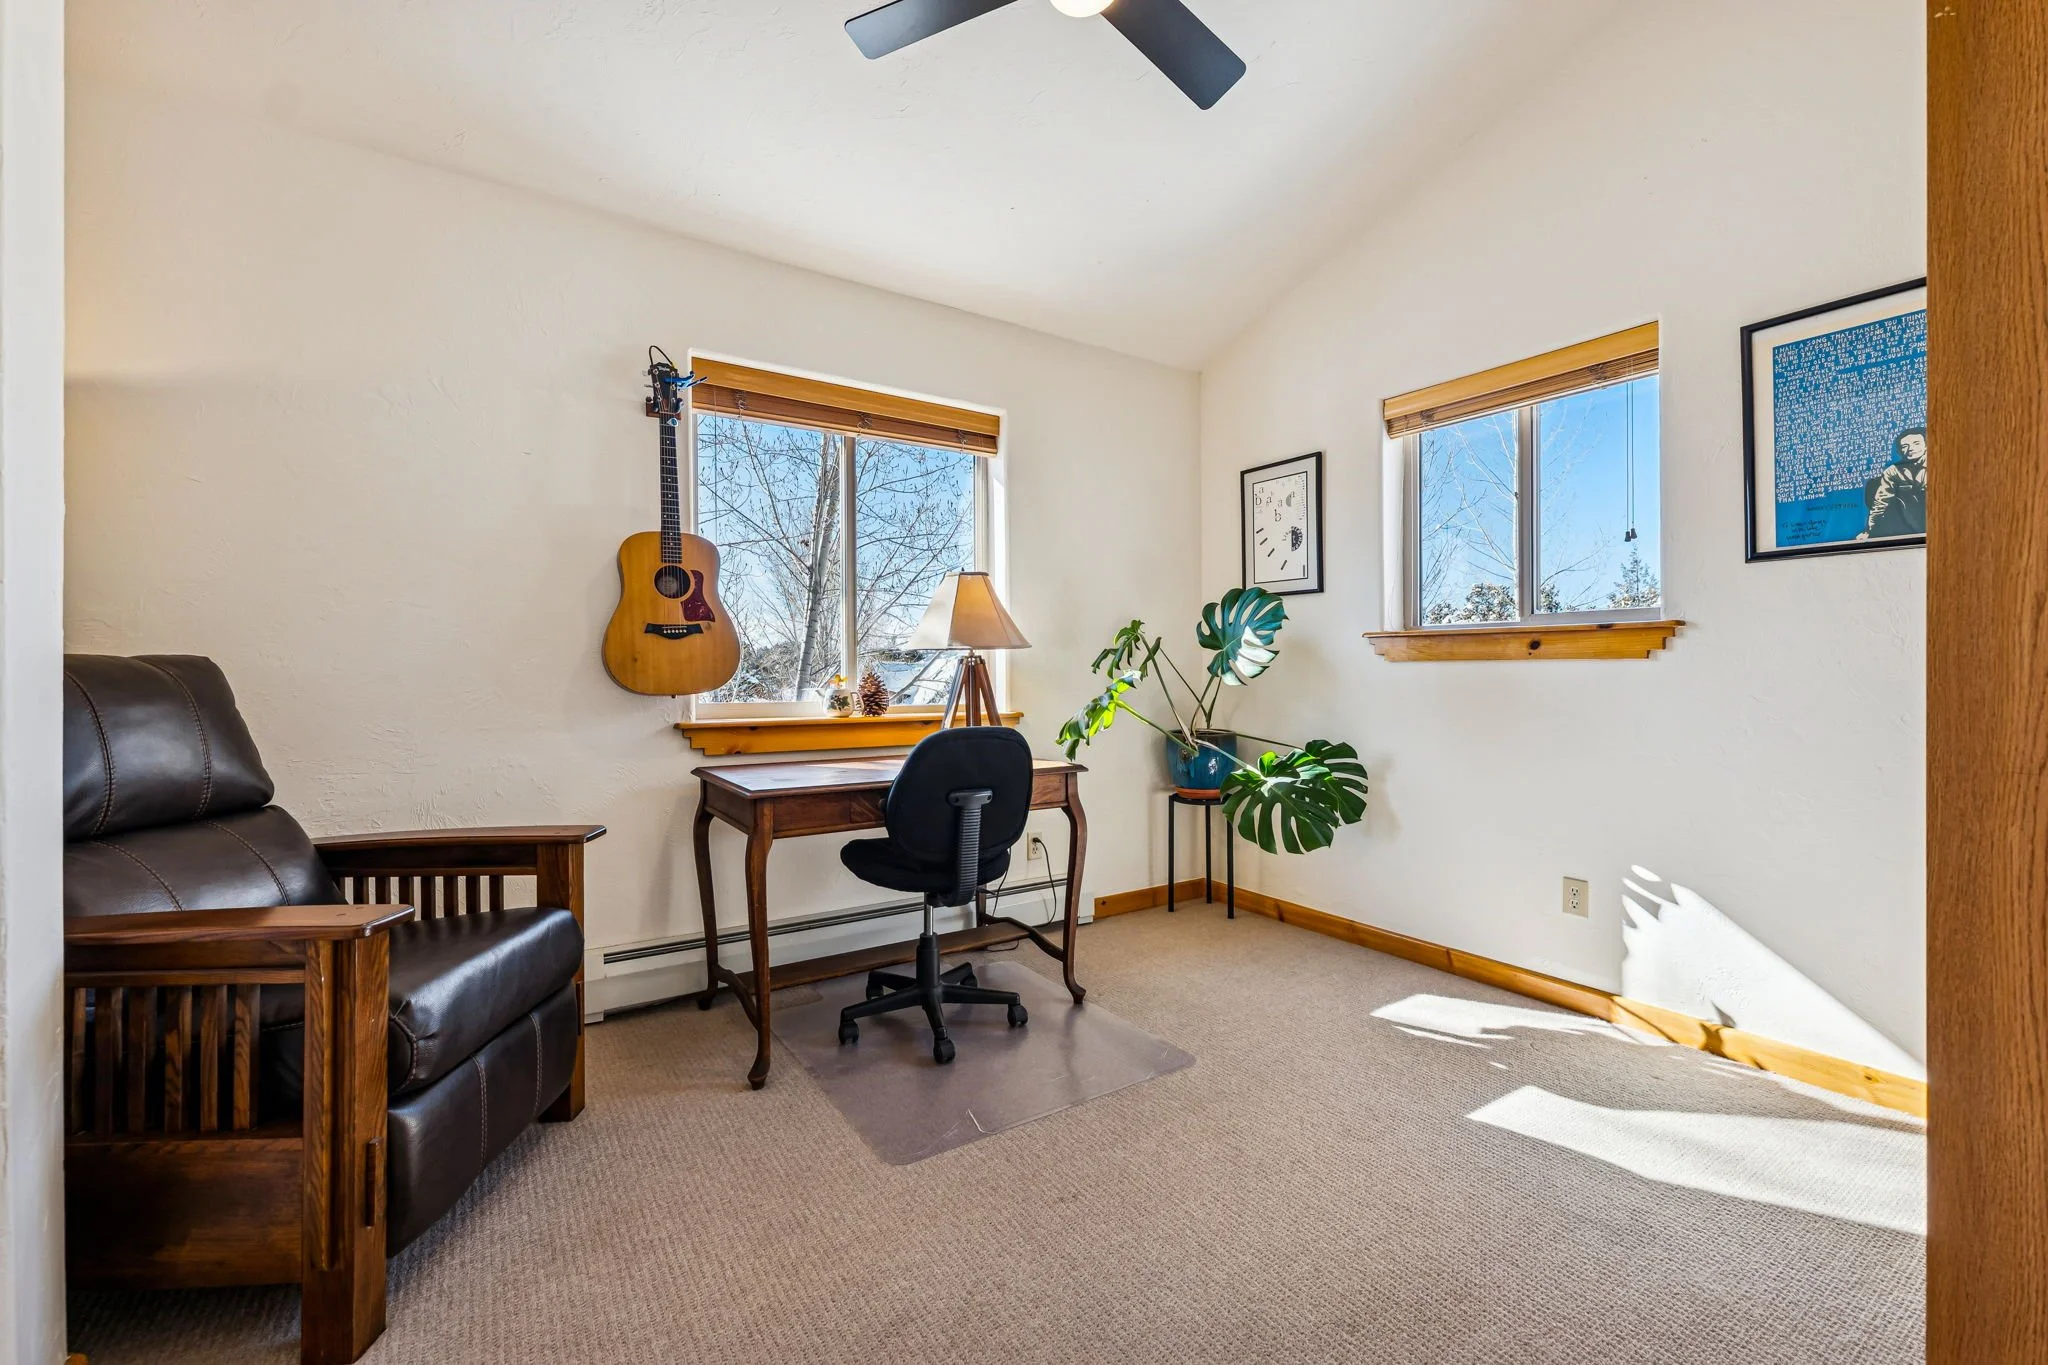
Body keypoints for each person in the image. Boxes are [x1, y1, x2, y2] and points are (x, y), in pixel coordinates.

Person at [1857, 426, 1927, 540]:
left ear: (1926, 445)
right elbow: (1881, 501)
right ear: (1900, 450)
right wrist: (1870, 531)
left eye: (1916, 443)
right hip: (1911, 526)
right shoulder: (1893, 471)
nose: (1910, 448)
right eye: (1905, 446)